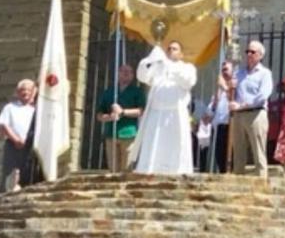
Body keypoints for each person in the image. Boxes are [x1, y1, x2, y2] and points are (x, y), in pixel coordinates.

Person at [129, 40, 197, 174]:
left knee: (176, 148)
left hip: (175, 114)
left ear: (181, 54)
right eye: (169, 48)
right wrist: (151, 59)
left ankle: (177, 172)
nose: (171, 50)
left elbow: (188, 81)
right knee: (153, 145)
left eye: (175, 49)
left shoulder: (187, 67)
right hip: (156, 113)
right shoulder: (158, 67)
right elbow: (142, 76)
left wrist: (169, 65)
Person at [230, 40, 274, 177]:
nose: (249, 54)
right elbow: (233, 96)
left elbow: (262, 96)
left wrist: (242, 105)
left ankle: (262, 182)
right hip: (238, 116)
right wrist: (229, 89)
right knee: (238, 153)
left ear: (260, 55)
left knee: (258, 152)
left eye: (253, 52)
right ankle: (238, 182)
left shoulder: (264, 73)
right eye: (247, 51)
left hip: (256, 114)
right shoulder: (239, 74)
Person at [95, 63, 147, 173]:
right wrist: (109, 117)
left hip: (129, 134)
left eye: (129, 72)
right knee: (113, 169)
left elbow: (141, 111)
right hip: (111, 135)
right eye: (123, 71)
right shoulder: (109, 92)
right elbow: (99, 115)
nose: (126, 74)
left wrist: (123, 112)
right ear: (118, 74)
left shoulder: (137, 92)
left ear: (133, 75)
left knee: (127, 169)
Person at [0, 79, 37, 193]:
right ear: (18, 92)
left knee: (27, 173)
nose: (26, 93)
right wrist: (16, 140)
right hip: (13, 145)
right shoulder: (10, 107)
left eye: (29, 90)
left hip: (29, 146)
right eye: (23, 90)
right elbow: (4, 124)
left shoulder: (35, 110)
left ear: (33, 92)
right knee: (10, 173)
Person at [201, 60, 233, 173]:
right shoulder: (219, 91)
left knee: (229, 156)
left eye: (226, 69)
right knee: (219, 156)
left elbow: (234, 99)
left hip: (230, 126)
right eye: (222, 70)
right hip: (218, 126)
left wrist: (224, 87)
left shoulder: (234, 86)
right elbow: (211, 112)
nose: (224, 73)